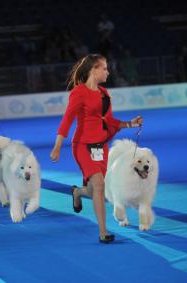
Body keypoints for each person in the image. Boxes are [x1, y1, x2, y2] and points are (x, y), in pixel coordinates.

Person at [50, 54, 143, 244]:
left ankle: (78, 192)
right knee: (100, 185)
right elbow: (67, 120)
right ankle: (103, 232)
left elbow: (108, 121)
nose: (108, 72)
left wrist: (130, 124)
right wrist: (58, 146)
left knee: (95, 191)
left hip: (101, 147)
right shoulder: (79, 92)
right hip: (83, 146)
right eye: (104, 68)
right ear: (93, 70)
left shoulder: (105, 94)